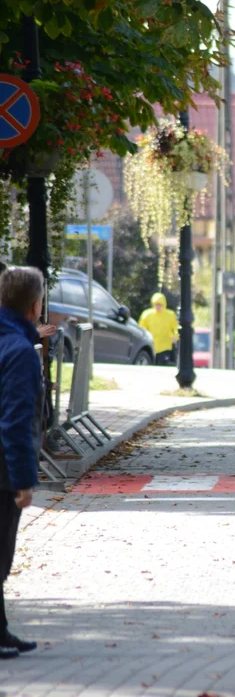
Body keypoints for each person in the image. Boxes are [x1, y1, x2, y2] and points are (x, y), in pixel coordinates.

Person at [0, 267, 46, 660]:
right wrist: (23, 480)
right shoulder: (18, 353)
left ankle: (0, 630)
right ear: (35, 306)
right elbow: (15, 421)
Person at [138, 292, 177, 365]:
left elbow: (176, 328)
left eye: (160, 305)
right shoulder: (147, 314)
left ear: (164, 305)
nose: (158, 306)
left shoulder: (170, 315)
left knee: (163, 366)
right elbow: (141, 329)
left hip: (165, 347)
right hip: (151, 346)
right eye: (156, 304)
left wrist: (176, 336)